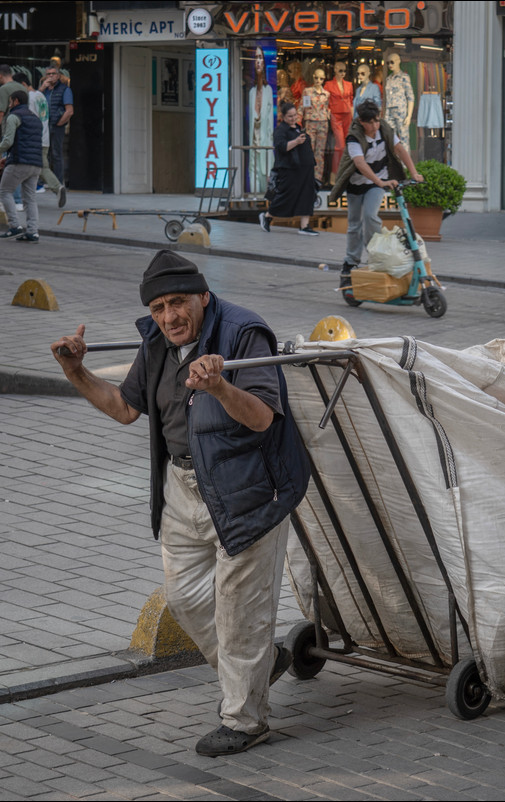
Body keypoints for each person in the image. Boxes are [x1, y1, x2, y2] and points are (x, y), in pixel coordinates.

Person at [50, 250, 310, 757]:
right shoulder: (157, 344)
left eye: (179, 303)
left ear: (203, 297)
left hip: (248, 490)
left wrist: (219, 386)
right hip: (183, 488)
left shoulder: (243, 332)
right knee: (186, 599)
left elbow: (261, 419)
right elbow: (125, 409)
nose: (170, 316)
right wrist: (75, 372)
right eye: (159, 307)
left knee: (240, 613)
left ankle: (245, 720)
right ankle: (260, 666)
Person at [328, 99, 423, 286]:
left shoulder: (384, 129)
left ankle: (376, 254)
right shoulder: (354, 136)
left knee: (371, 216)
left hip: (376, 182)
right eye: (369, 122)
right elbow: (360, 164)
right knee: (355, 224)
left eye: (376, 121)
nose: (374, 125)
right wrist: (381, 181)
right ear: (361, 121)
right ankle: (350, 262)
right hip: (358, 183)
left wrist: (414, 172)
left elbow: (400, 149)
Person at [0, 89, 42, 243]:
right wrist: (7, 158)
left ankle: (15, 226)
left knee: (5, 191)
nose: (9, 104)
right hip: (36, 163)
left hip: (20, 162)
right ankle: (33, 232)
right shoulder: (35, 118)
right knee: (30, 198)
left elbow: (8, 141)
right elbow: (28, 142)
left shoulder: (14, 116)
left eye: (10, 101)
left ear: (16, 101)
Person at [258, 103, 319, 236]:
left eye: (295, 115)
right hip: (290, 169)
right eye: (290, 116)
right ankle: (267, 216)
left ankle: (304, 225)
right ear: (283, 117)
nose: (293, 118)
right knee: (287, 195)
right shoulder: (281, 130)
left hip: (305, 169)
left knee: (307, 195)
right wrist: (296, 141)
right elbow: (281, 147)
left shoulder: (298, 128)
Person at [19, 73, 68, 208]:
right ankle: (27, 197)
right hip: (44, 137)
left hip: (34, 138)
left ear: (23, 84)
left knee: (33, 167)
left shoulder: (28, 98)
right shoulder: (41, 96)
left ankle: (56, 187)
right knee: (39, 166)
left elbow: (27, 119)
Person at [247, 47, 275, 194]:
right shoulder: (251, 92)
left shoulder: (268, 90)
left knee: (266, 169)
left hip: (265, 139)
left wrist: (270, 139)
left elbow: (269, 119)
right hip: (253, 139)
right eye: (255, 58)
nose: (258, 62)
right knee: (253, 168)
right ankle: (253, 196)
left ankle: (266, 198)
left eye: (260, 58)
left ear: (264, 62)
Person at [41, 64, 74, 183]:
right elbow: (35, 100)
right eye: (48, 74)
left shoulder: (65, 89)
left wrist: (59, 123)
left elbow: (69, 111)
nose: (50, 76)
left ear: (58, 75)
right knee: (44, 154)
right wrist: (42, 88)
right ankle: (43, 182)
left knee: (56, 154)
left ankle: (58, 182)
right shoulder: (43, 89)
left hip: (56, 126)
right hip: (44, 126)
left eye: (53, 74)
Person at [301, 66, 331, 183]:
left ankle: (318, 177)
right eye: (316, 77)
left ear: (324, 80)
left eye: (321, 78)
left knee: (320, 152)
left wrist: (328, 117)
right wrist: (298, 120)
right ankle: (307, 176)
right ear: (313, 77)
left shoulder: (326, 94)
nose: (318, 80)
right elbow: (303, 106)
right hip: (311, 122)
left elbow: (327, 108)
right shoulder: (307, 91)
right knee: (309, 150)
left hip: (323, 123)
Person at [326, 61, 354, 173]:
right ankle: (336, 171)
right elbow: (326, 101)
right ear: (335, 70)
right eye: (340, 70)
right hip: (335, 115)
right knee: (340, 145)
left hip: (347, 114)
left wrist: (353, 116)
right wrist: (328, 111)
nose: (342, 73)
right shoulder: (328, 85)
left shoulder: (349, 84)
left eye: (344, 71)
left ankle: (346, 170)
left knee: (348, 144)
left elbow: (350, 100)